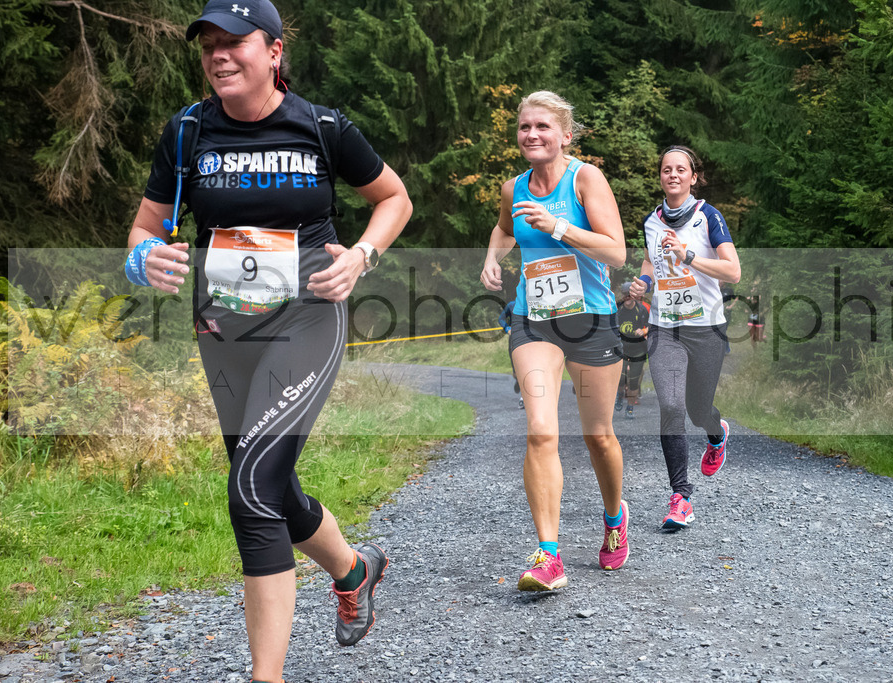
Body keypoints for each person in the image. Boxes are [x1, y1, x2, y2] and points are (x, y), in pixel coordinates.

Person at [123, 1, 412, 680]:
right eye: (209, 46)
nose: (219, 55)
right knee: (269, 484)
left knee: (250, 490)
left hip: (308, 316)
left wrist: (362, 255)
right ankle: (353, 567)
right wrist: (144, 259)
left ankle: (266, 674)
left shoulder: (321, 126)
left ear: (274, 51)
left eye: (235, 42)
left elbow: (393, 197)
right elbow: (144, 228)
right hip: (223, 328)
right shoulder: (187, 132)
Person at [480, 90, 629, 591]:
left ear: (565, 135)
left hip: (590, 320)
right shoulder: (512, 188)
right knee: (542, 430)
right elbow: (504, 229)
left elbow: (617, 253)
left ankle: (613, 518)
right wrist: (492, 256)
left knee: (598, 436)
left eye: (543, 127)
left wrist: (561, 226)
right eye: (525, 127)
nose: (532, 135)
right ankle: (549, 554)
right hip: (533, 320)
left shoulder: (585, 178)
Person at [628, 145, 740, 531]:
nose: (672, 174)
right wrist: (642, 282)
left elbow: (733, 271)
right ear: (660, 176)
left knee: (697, 410)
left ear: (694, 177)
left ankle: (715, 431)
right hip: (665, 328)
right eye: (666, 169)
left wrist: (689, 256)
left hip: (706, 328)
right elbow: (650, 262)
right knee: (672, 407)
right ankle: (680, 497)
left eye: (681, 169)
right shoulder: (651, 222)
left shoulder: (709, 216)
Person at [615, 283, 649, 419]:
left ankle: (630, 407)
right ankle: (619, 394)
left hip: (638, 350)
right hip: (621, 349)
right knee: (621, 379)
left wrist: (644, 330)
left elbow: (651, 326)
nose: (628, 298)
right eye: (625, 295)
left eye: (630, 296)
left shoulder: (641, 310)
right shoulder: (617, 310)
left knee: (634, 381)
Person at [499, 300, 524, 409]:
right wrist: (507, 328)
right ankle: (518, 380)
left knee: (526, 368)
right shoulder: (511, 305)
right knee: (516, 371)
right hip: (514, 339)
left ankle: (523, 398)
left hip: (530, 340)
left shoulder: (534, 303)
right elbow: (501, 319)